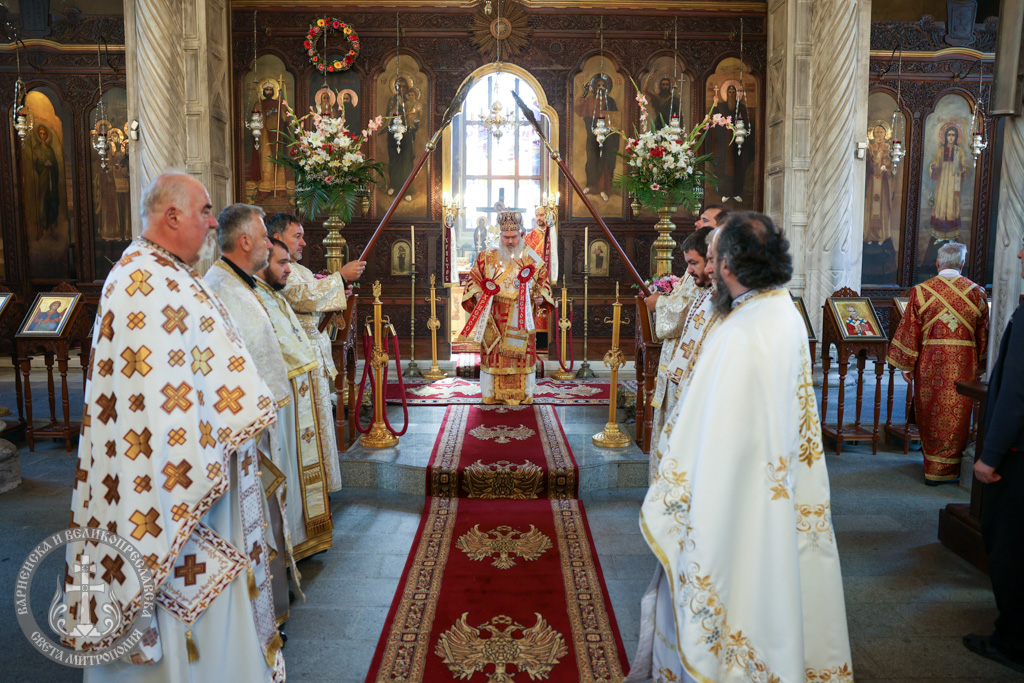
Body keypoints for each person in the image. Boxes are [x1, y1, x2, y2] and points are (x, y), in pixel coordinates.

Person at [65, 172, 284, 681]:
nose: (213, 223)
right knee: (185, 610)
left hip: (193, 475)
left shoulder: (165, 273)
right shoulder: (143, 283)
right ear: (172, 217)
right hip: (171, 491)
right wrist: (211, 447)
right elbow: (154, 409)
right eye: (206, 212)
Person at [627, 212, 851, 682]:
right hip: (772, 491)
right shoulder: (779, 311)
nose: (705, 270)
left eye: (709, 260)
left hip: (736, 503)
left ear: (729, 264)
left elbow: (714, 430)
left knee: (733, 601)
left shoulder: (742, 332)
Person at [203, 203, 309, 626]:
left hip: (262, 428)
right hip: (244, 436)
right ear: (246, 241)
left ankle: (268, 609)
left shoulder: (242, 284)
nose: (271, 243)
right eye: (266, 237)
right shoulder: (221, 288)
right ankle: (258, 618)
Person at [266, 212, 364, 495]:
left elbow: (312, 301)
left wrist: (336, 297)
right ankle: (307, 492)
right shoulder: (277, 268)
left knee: (319, 425)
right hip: (297, 361)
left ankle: (318, 488)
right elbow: (302, 296)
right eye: (297, 236)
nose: (304, 243)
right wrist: (339, 278)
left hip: (311, 357)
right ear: (277, 238)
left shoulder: (300, 269)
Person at [963, 237, 1024, 674]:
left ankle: (1013, 641)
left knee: (1009, 549)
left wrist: (990, 455)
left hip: (1017, 457)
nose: (1018, 255)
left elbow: (1016, 394)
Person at [256, 240, 337, 562]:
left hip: (294, 394)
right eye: (281, 263)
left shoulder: (270, 293)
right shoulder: (249, 295)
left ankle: (298, 535)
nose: (288, 269)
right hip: (277, 402)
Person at [887, 242, 988, 485]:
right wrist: (981, 365)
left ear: (937, 263)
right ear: (962, 264)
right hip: (965, 367)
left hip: (930, 364)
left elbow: (910, 330)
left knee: (932, 410)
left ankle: (933, 468)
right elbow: (983, 335)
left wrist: (907, 365)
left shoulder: (921, 291)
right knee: (958, 414)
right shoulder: (977, 292)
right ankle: (952, 469)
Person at [643, 206, 731, 450]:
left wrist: (659, 303)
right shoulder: (710, 293)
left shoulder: (735, 304)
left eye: (704, 220)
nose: (704, 269)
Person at [457, 211, 554, 405]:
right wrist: (477, 294)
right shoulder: (486, 256)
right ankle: (491, 394)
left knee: (522, 356)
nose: (510, 241)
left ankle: (523, 394)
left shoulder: (532, 258)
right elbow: (473, 280)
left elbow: (544, 283)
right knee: (494, 355)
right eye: (506, 237)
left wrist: (540, 298)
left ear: (521, 234)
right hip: (493, 317)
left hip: (522, 316)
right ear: (499, 235)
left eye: (514, 237)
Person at [575, 73, 619, 201]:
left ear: (607, 87)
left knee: (605, 160)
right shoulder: (589, 100)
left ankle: (604, 189)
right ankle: (590, 185)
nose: (600, 88)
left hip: (608, 137)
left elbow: (615, 119)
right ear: (594, 87)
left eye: (603, 86)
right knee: (592, 159)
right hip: (592, 135)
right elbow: (578, 110)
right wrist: (584, 93)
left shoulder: (610, 101)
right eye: (598, 85)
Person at [710, 84, 750, 202]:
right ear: (726, 94)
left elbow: (746, 123)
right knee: (723, 167)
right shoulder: (721, 107)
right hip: (724, 144)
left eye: (733, 92)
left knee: (738, 167)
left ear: (736, 94)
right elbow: (715, 121)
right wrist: (715, 105)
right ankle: (725, 193)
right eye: (729, 92)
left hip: (738, 143)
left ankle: (736, 192)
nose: (731, 94)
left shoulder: (740, 107)